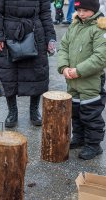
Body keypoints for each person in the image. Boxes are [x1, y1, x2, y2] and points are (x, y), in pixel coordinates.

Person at [0, 0, 56, 127]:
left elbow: (45, 13)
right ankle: (12, 111)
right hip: (9, 32)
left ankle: (34, 110)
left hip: (36, 33)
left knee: (37, 74)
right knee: (8, 75)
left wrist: (50, 37)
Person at [58, 0, 106, 160]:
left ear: (94, 10)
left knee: (91, 114)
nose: (81, 14)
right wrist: (64, 67)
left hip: (90, 82)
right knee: (76, 112)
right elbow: (63, 46)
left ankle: (93, 145)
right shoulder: (74, 25)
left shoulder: (100, 29)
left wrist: (79, 70)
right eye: (79, 10)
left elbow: (101, 56)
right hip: (72, 79)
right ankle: (79, 138)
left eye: (85, 10)